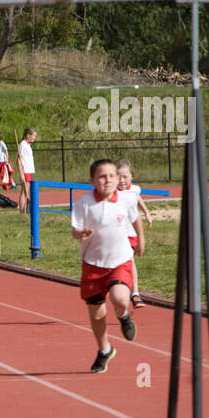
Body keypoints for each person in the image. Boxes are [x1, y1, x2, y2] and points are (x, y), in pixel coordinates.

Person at [71, 159, 139, 374]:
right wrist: (79, 233)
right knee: (97, 314)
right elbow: (74, 229)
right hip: (93, 263)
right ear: (92, 181)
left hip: (119, 260)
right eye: (102, 176)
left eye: (111, 176)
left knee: (120, 298)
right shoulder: (84, 202)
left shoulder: (126, 200)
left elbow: (135, 220)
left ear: (118, 179)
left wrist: (141, 240)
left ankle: (123, 316)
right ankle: (104, 350)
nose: (107, 180)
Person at [115, 158, 152, 308]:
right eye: (118, 177)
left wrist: (146, 212)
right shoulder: (110, 191)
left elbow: (137, 199)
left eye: (125, 177)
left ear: (132, 176)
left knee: (130, 260)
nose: (122, 181)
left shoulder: (135, 189)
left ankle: (135, 293)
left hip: (130, 233)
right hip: (114, 233)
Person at [17, 127, 37, 212]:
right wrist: (21, 173)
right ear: (28, 135)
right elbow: (18, 159)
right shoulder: (23, 145)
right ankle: (22, 210)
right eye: (34, 136)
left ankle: (24, 209)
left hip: (28, 171)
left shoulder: (28, 145)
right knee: (24, 191)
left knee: (26, 191)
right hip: (25, 171)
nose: (35, 138)